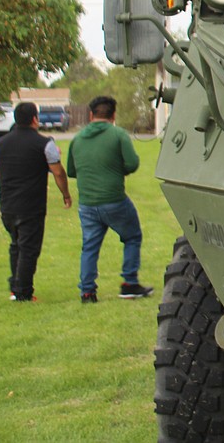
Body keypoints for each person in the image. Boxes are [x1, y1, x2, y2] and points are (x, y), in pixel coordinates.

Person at [66, 95, 153, 302]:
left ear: (90, 115)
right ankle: (129, 283)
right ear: (113, 115)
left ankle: (87, 291)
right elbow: (132, 164)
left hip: (87, 203)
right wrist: (116, 169)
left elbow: (71, 170)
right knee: (132, 237)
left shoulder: (77, 139)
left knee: (89, 246)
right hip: (114, 200)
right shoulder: (118, 135)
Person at [0, 101, 72, 302]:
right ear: (35, 119)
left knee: (16, 244)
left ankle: (15, 286)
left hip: (7, 204)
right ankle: (23, 292)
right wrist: (65, 194)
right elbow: (58, 172)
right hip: (31, 205)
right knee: (29, 249)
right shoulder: (45, 143)